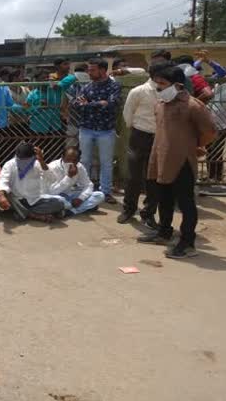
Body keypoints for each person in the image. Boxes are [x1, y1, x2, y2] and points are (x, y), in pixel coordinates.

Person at [137, 66, 216, 259]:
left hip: (182, 160)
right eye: (157, 84)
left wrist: (195, 145)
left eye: (163, 84)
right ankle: (164, 232)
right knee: (164, 198)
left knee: (186, 203)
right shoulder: (161, 104)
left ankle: (187, 242)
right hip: (162, 158)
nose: (159, 88)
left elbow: (210, 131)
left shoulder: (193, 106)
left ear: (178, 85)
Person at [118, 63, 166, 226]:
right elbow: (127, 114)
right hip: (140, 135)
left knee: (153, 178)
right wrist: (136, 129)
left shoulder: (168, 91)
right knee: (134, 176)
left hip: (160, 137)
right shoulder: (139, 91)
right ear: (155, 75)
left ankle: (148, 213)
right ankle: (129, 209)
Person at [71, 58, 121, 204]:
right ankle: (84, 189)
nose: (89, 72)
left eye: (92, 70)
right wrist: (98, 103)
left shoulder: (114, 86)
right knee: (84, 160)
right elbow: (75, 103)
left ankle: (106, 191)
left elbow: (111, 104)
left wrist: (88, 104)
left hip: (106, 130)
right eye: (89, 69)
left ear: (102, 70)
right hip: (86, 128)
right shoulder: (87, 87)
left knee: (106, 162)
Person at [0, 143, 65, 222]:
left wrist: (42, 161)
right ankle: (34, 215)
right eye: (20, 159)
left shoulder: (37, 164)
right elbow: (3, 181)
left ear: (33, 157)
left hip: (34, 200)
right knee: (4, 195)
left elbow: (51, 179)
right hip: (16, 199)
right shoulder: (9, 164)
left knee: (59, 203)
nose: (22, 162)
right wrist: (1, 196)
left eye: (26, 160)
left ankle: (23, 213)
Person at [46, 146, 104, 216]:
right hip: (57, 196)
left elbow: (88, 185)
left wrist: (80, 199)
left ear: (79, 159)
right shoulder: (53, 167)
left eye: (74, 160)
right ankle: (85, 207)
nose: (71, 163)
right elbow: (52, 191)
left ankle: (71, 211)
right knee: (56, 201)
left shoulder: (79, 167)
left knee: (99, 195)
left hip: (71, 195)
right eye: (68, 159)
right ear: (62, 157)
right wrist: (69, 177)